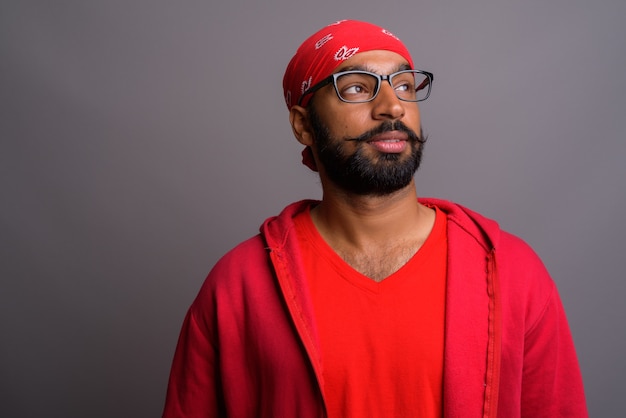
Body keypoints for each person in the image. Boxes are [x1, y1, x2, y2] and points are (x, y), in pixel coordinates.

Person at [162, 20, 587, 417]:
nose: (392, 107)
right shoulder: (238, 287)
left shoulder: (514, 274)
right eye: (357, 88)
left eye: (404, 85)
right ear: (303, 126)